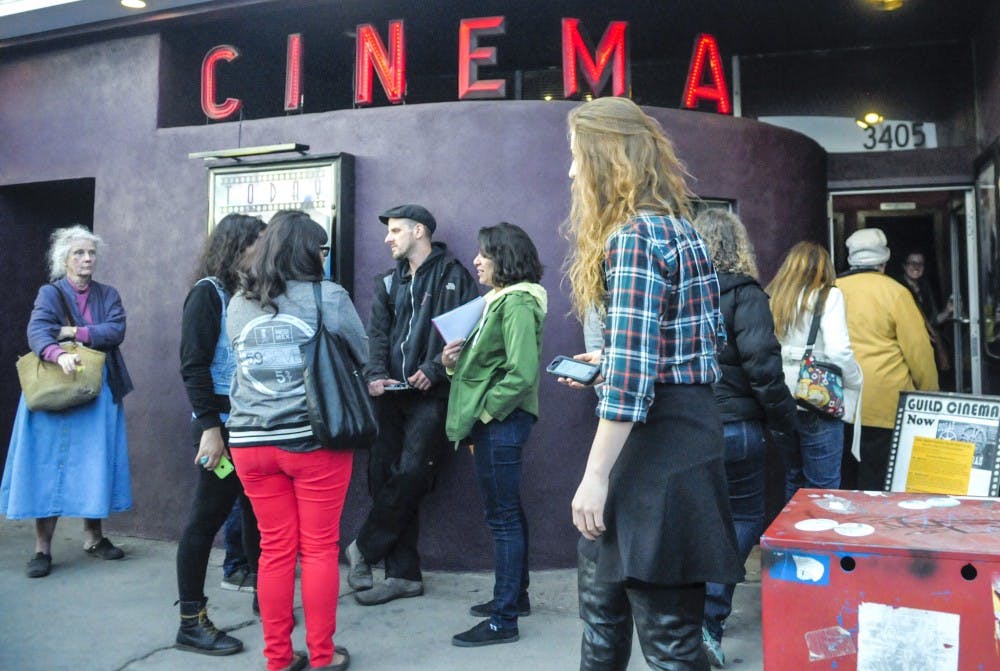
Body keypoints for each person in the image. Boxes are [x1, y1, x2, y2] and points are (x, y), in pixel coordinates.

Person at [562, 96, 744, 670]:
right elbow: (689, 346)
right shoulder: (679, 229)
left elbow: (635, 379)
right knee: (614, 618)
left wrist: (594, 476)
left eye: (575, 158)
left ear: (604, 160)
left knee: (652, 637)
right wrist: (613, 353)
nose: (570, 172)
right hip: (676, 441)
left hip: (653, 453)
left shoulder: (635, 236)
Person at [227, 210, 367, 671]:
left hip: (249, 440)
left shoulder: (238, 302)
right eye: (321, 248)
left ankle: (278, 658)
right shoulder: (327, 296)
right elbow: (362, 354)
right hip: (315, 439)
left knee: (274, 549)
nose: (325, 256)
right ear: (309, 252)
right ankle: (324, 657)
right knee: (321, 547)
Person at [346, 204, 478, 606]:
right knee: (384, 477)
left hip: (430, 396)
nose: (388, 238)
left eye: (396, 231)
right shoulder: (388, 282)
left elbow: (467, 335)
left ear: (419, 231)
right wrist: (374, 375)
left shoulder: (455, 276)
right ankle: (403, 575)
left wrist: (435, 369)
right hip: (390, 396)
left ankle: (364, 548)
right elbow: (377, 337)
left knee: (414, 473)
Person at [691, 209, 799, 668]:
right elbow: (762, 368)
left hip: (689, 427)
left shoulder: (681, 292)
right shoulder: (745, 294)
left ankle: (690, 615)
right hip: (737, 427)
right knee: (747, 516)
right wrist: (784, 421)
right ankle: (710, 619)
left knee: (701, 521)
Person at [1, 225, 134, 578]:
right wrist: (58, 353)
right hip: (55, 391)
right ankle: (42, 549)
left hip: (98, 392)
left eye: (91, 253)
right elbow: (37, 332)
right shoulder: (50, 293)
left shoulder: (108, 294)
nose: (87, 258)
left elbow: (115, 330)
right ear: (64, 258)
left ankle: (94, 538)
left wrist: (74, 332)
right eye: (79, 253)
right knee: (49, 466)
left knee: (94, 463)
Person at [441, 222, 547, 647]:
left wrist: (484, 414)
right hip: (498, 421)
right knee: (507, 512)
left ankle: (504, 619)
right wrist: (452, 362)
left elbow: (521, 373)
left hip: (501, 422)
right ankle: (514, 599)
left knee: (502, 519)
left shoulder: (517, 302)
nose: (476, 260)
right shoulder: (498, 302)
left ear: (506, 257)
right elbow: (487, 365)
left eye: (485, 253)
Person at [175, 213, 265, 656]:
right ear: (238, 246)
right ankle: (191, 621)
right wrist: (210, 428)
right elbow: (193, 365)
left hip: (250, 425)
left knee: (256, 515)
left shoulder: (246, 292)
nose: (262, 251)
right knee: (206, 518)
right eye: (257, 243)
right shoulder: (207, 294)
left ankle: (267, 600)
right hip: (221, 430)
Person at [837, 228, 938, 490]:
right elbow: (919, 352)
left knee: (844, 481)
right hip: (884, 405)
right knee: (879, 481)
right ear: (884, 261)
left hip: (838, 402)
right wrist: (930, 396)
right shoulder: (896, 293)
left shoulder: (832, 289)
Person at [767, 242, 864, 499]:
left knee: (795, 479)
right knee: (823, 487)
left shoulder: (774, 297)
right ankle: (816, 537)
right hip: (816, 398)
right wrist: (855, 380)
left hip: (779, 397)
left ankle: (793, 539)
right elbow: (838, 351)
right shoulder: (828, 295)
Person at [896, 250, 954, 379]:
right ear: (904, 266)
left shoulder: (925, 287)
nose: (916, 267)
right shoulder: (897, 287)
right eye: (912, 263)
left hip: (926, 346)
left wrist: (947, 312)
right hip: (907, 346)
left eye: (920, 264)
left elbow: (931, 321)